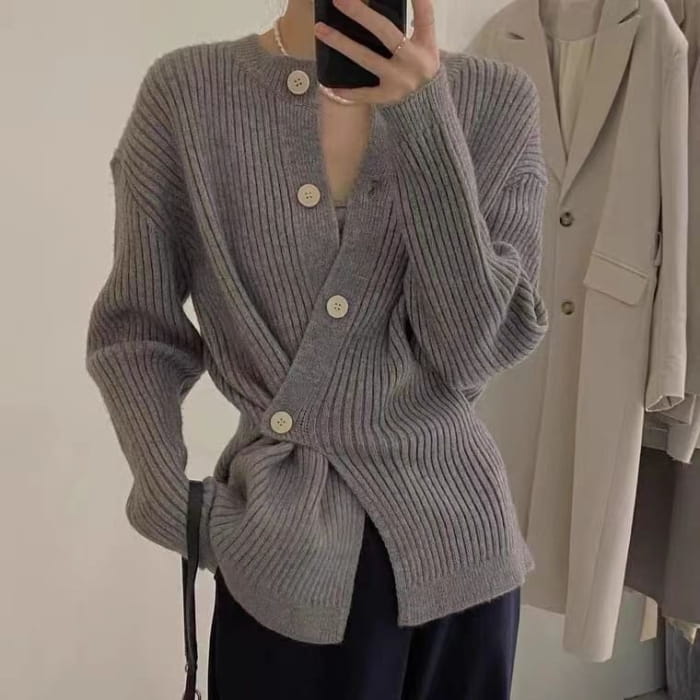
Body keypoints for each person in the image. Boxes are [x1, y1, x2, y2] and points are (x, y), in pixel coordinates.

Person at [85, 0, 550, 697]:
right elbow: (136, 328)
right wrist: (167, 497)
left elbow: (471, 351)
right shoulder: (188, 94)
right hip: (281, 561)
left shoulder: (495, 100)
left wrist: (424, 119)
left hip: (462, 555)